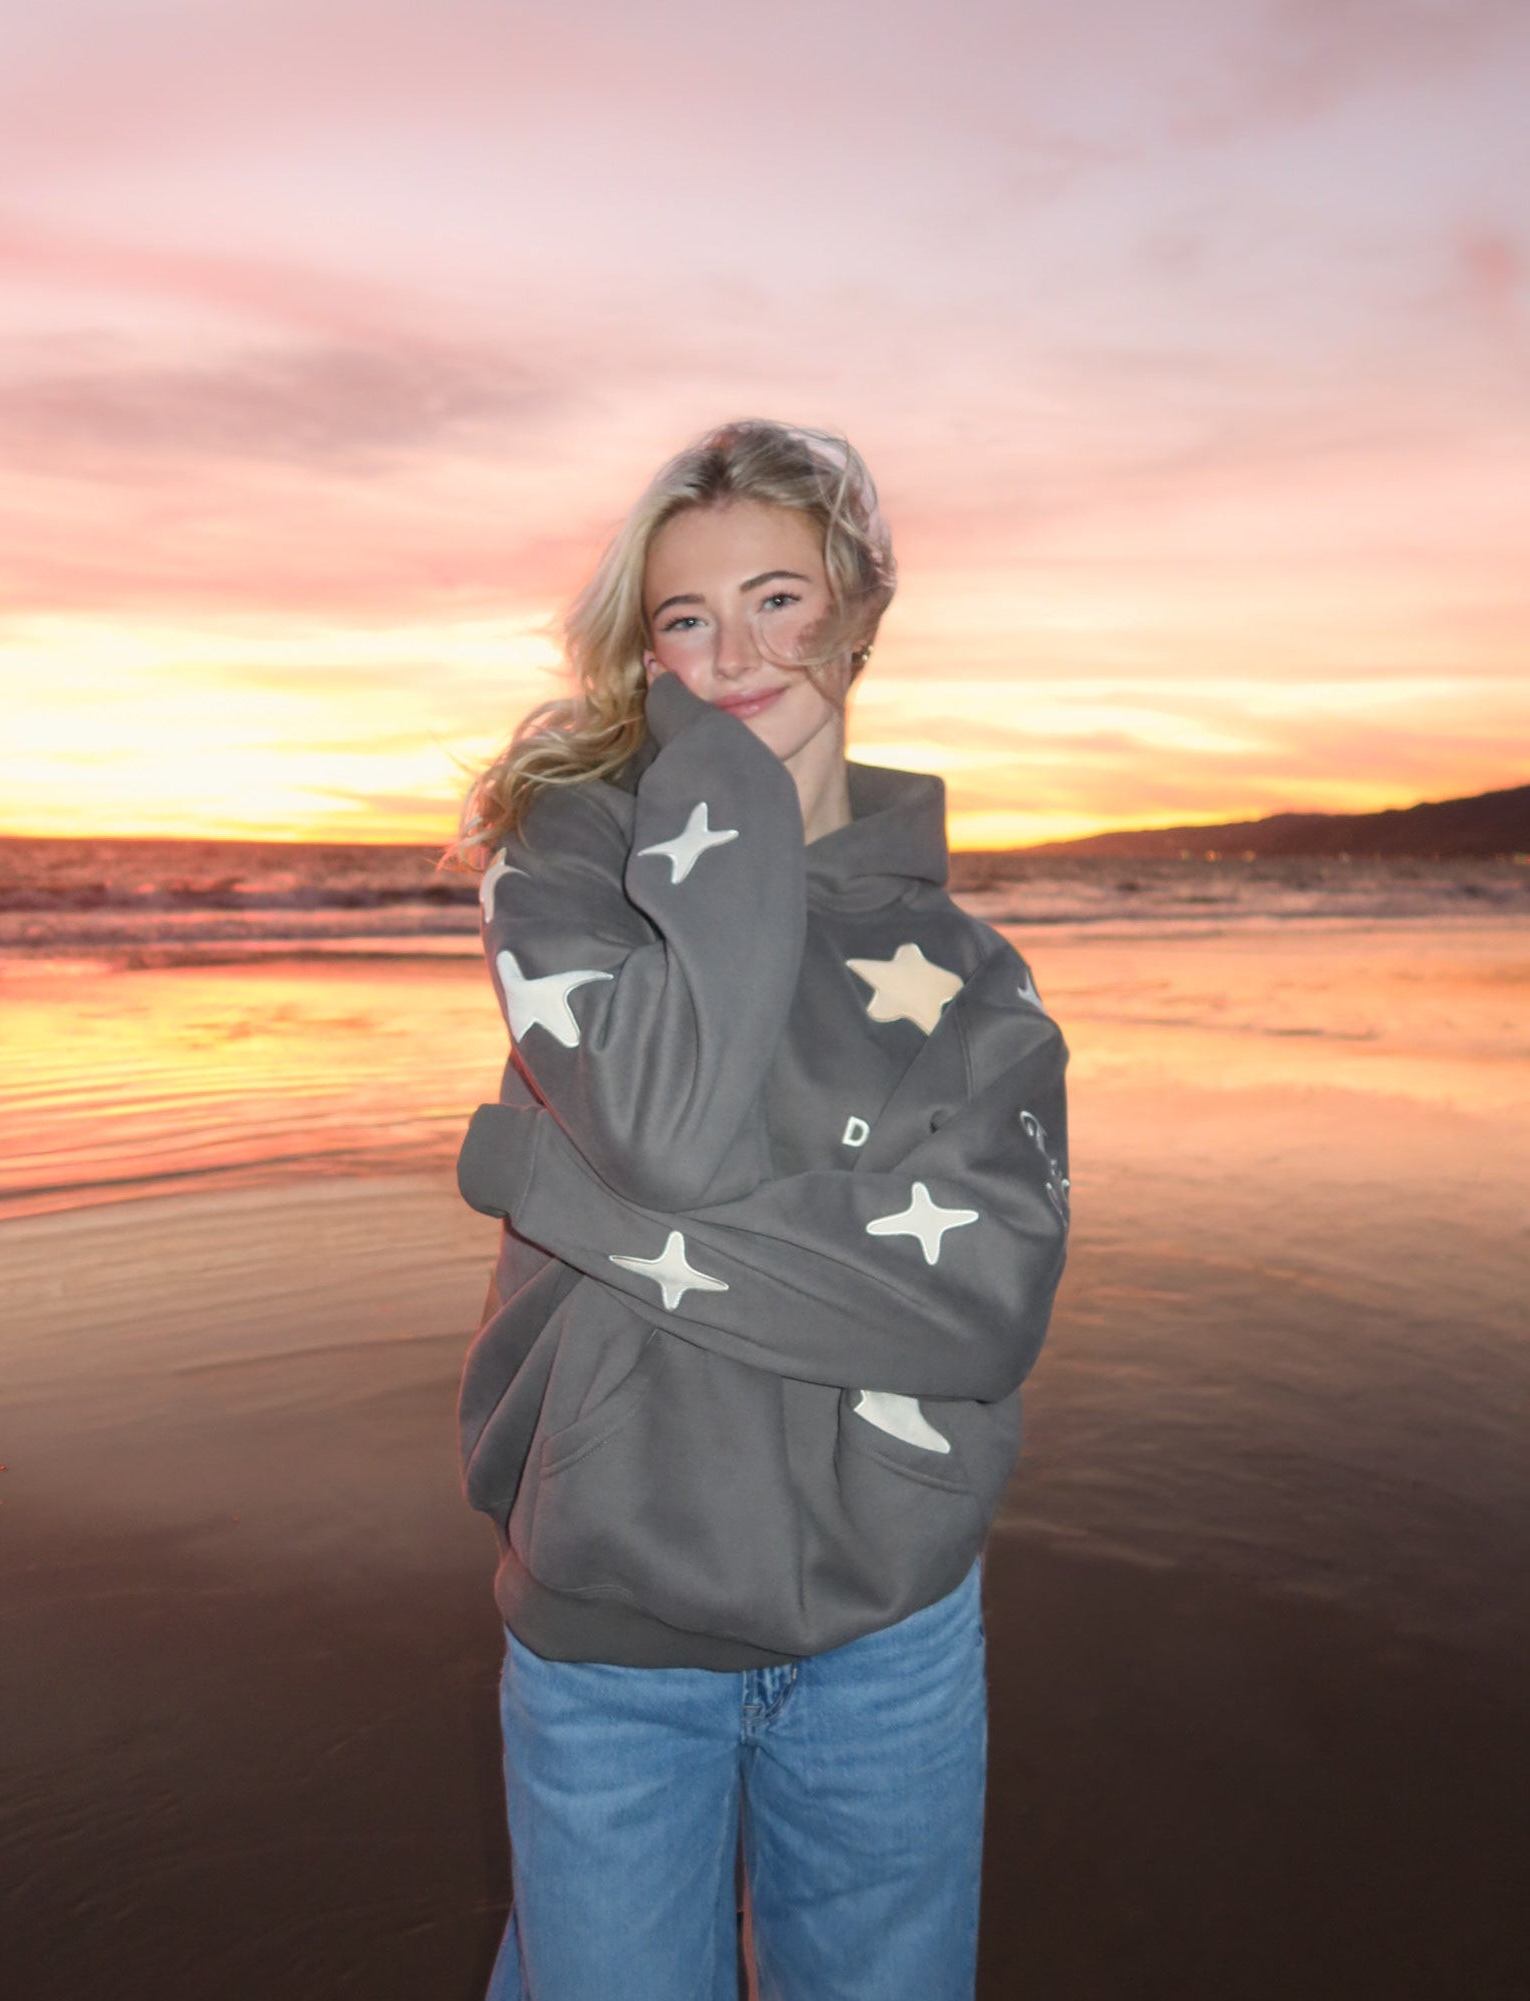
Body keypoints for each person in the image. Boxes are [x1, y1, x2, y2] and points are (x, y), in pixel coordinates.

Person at [451, 417, 1071, 2000]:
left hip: (888, 1635)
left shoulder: (973, 983)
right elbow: (659, 1130)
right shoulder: (570, 881)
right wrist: (720, 778)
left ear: (860, 612)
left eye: (780, 601)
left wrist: (545, 1188)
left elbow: (977, 1308)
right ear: (640, 652)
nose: (734, 652)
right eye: (684, 618)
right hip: (611, 1639)